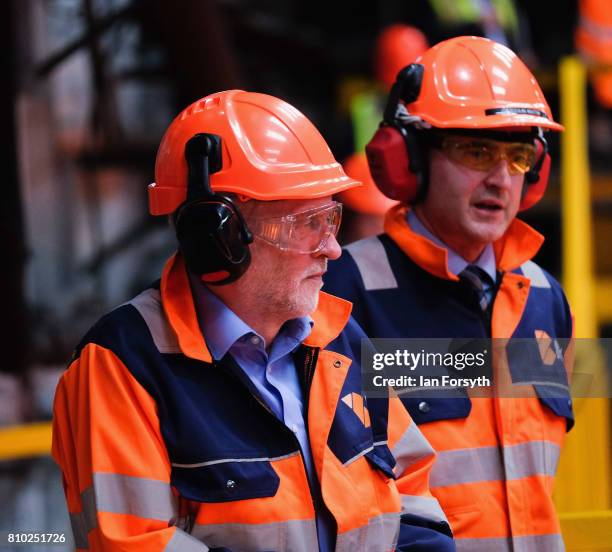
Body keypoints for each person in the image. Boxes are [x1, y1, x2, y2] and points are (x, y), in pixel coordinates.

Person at [51, 90, 455, 551]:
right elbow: (132, 543)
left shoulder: (337, 335)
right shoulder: (122, 367)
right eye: (307, 223)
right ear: (218, 237)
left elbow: (411, 488)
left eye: (332, 220)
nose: (332, 249)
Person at [324, 36, 574, 551]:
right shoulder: (346, 293)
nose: (501, 179)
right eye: (476, 150)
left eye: (519, 156)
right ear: (411, 158)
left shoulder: (545, 299)